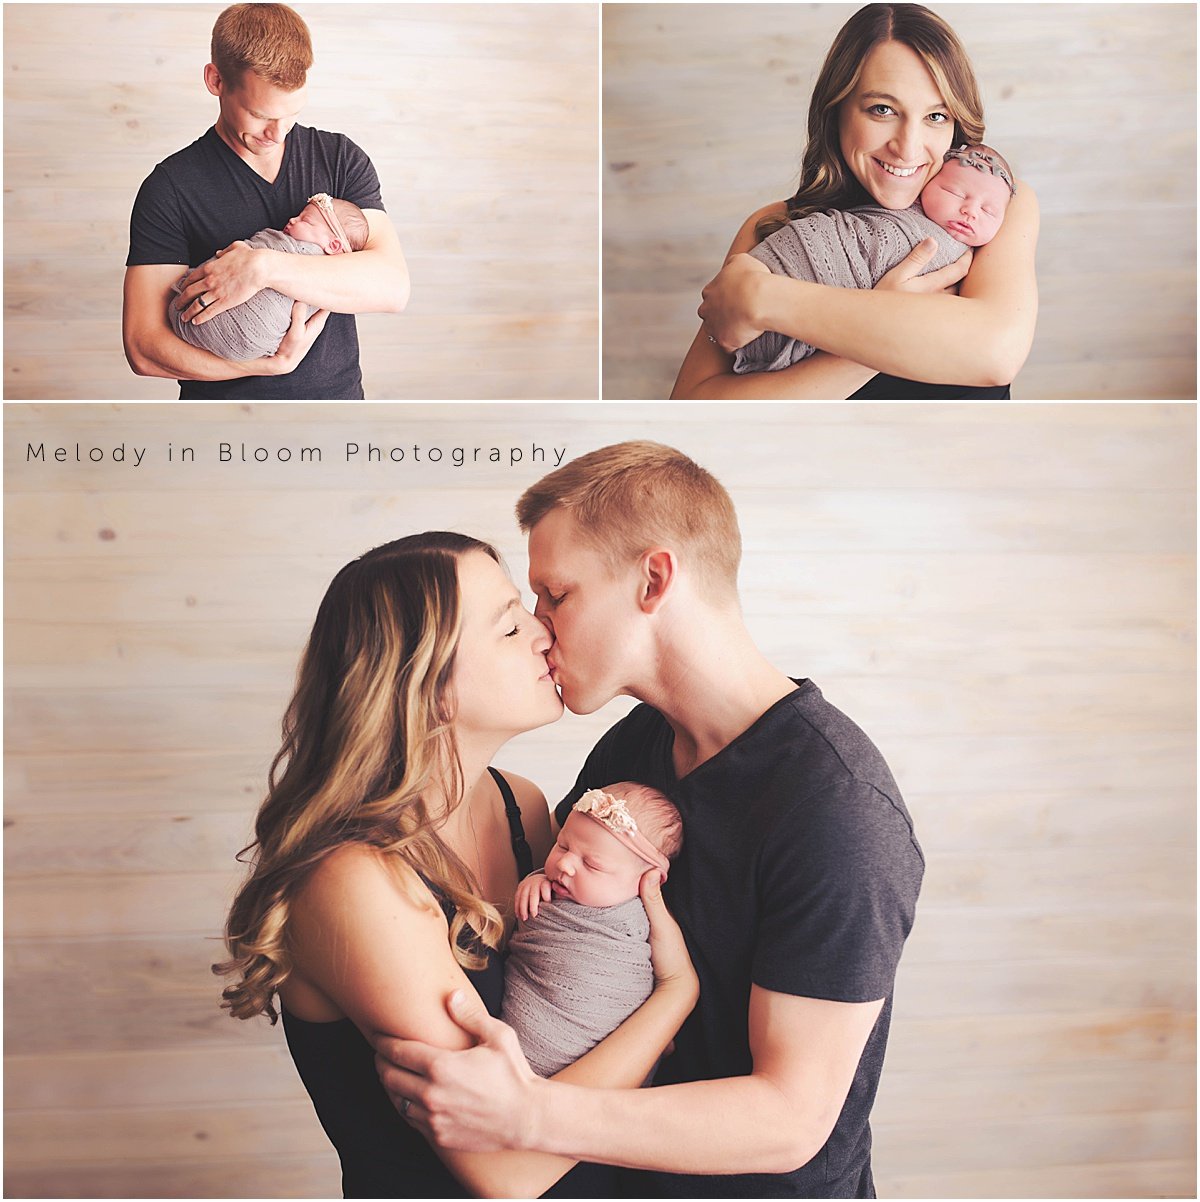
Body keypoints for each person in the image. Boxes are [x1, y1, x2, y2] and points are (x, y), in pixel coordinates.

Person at [373, 442, 925, 1198]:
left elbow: (791, 1119)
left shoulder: (838, 811)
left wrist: (527, 1117)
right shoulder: (636, 746)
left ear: (654, 579)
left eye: (555, 596)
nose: (540, 630)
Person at [214, 532, 698, 1198]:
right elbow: (506, 1169)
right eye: (509, 626)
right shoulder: (351, 880)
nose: (544, 631)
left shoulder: (520, 807)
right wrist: (676, 997)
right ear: (428, 687)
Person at [670, 2, 1039, 400]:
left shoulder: (993, 207)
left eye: (936, 116)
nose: (908, 148)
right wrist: (890, 312)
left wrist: (765, 298)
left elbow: (995, 353)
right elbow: (693, 402)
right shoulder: (774, 224)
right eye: (882, 110)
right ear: (837, 111)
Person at [123, 3, 409, 400]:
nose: (277, 133)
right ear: (216, 80)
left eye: (291, 114)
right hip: (222, 431)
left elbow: (391, 287)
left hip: (338, 416)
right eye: (259, 115)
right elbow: (143, 347)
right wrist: (263, 366)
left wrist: (263, 267)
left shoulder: (339, 158)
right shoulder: (170, 187)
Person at [735, 142, 1015, 372]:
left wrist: (880, 315)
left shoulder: (1009, 205)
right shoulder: (770, 219)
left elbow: (1000, 356)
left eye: (989, 212)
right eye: (954, 192)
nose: (971, 211)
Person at [504, 783, 684, 1077]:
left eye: (592, 864)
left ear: (648, 880)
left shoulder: (636, 921)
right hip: (530, 1020)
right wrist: (534, 880)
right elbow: (528, 916)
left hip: (592, 1050)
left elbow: (639, 983)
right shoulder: (554, 885)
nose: (565, 864)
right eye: (562, 845)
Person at [167, 194, 369, 361]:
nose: (292, 219)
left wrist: (259, 262)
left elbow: (392, 292)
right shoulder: (171, 187)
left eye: (304, 220)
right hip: (250, 354)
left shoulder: (346, 160)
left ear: (333, 246)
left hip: (249, 335)